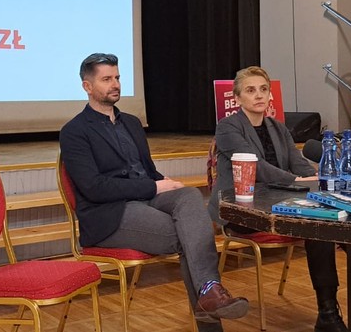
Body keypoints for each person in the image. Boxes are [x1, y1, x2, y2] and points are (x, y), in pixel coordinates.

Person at [59, 53, 248, 331]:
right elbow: (94, 188)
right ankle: (211, 301)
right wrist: (155, 186)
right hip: (109, 214)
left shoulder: (132, 123)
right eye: (106, 79)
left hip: (147, 199)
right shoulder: (74, 131)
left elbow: (146, 170)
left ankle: (209, 291)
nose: (115, 84)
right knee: (188, 235)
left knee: (189, 196)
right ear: (87, 86)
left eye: (117, 77)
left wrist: (162, 181)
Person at [207, 66, 349, 332]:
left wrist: (317, 178)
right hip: (243, 210)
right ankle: (328, 313)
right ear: (237, 98)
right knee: (316, 224)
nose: (259, 95)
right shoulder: (227, 127)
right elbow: (256, 166)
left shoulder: (278, 128)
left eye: (263, 89)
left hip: (281, 204)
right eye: (250, 90)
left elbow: (299, 164)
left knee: (323, 224)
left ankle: (328, 312)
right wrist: (296, 181)